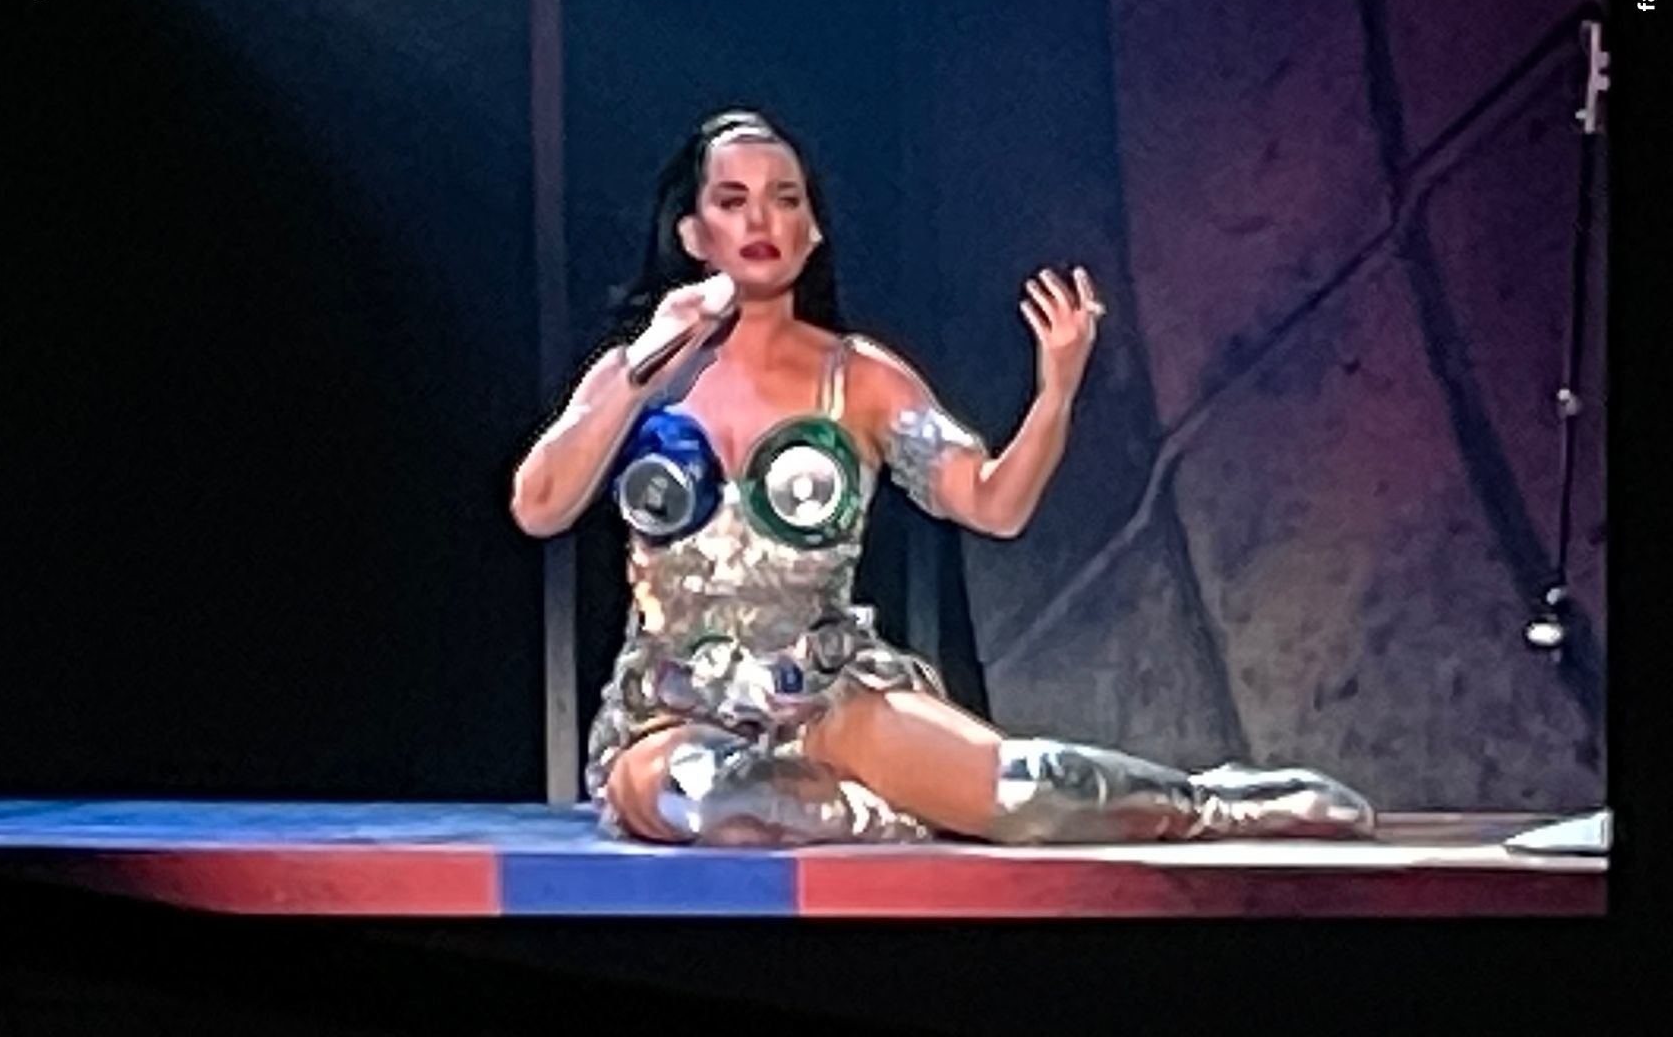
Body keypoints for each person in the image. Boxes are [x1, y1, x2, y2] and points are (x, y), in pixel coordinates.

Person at [509, 108, 1377, 846]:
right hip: (674, 713)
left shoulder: (860, 378)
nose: (761, 219)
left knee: (1029, 788)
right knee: (716, 800)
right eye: (732, 201)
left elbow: (994, 505)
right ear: (693, 234)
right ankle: (899, 813)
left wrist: (1056, 392)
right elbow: (538, 506)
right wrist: (649, 358)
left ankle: (1213, 805)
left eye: (785, 199)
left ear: (812, 232)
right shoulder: (637, 376)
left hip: (826, 694)